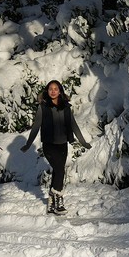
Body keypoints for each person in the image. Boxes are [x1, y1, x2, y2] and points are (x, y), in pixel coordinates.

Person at [21, 80, 90, 215]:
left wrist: (83, 142)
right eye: (50, 89)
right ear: (47, 91)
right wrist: (28, 144)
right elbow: (36, 127)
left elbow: (73, 125)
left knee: (58, 172)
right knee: (59, 170)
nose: (53, 91)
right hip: (49, 145)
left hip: (62, 144)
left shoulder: (66, 107)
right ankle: (58, 200)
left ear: (60, 91)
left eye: (56, 89)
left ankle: (52, 204)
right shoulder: (43, 107)